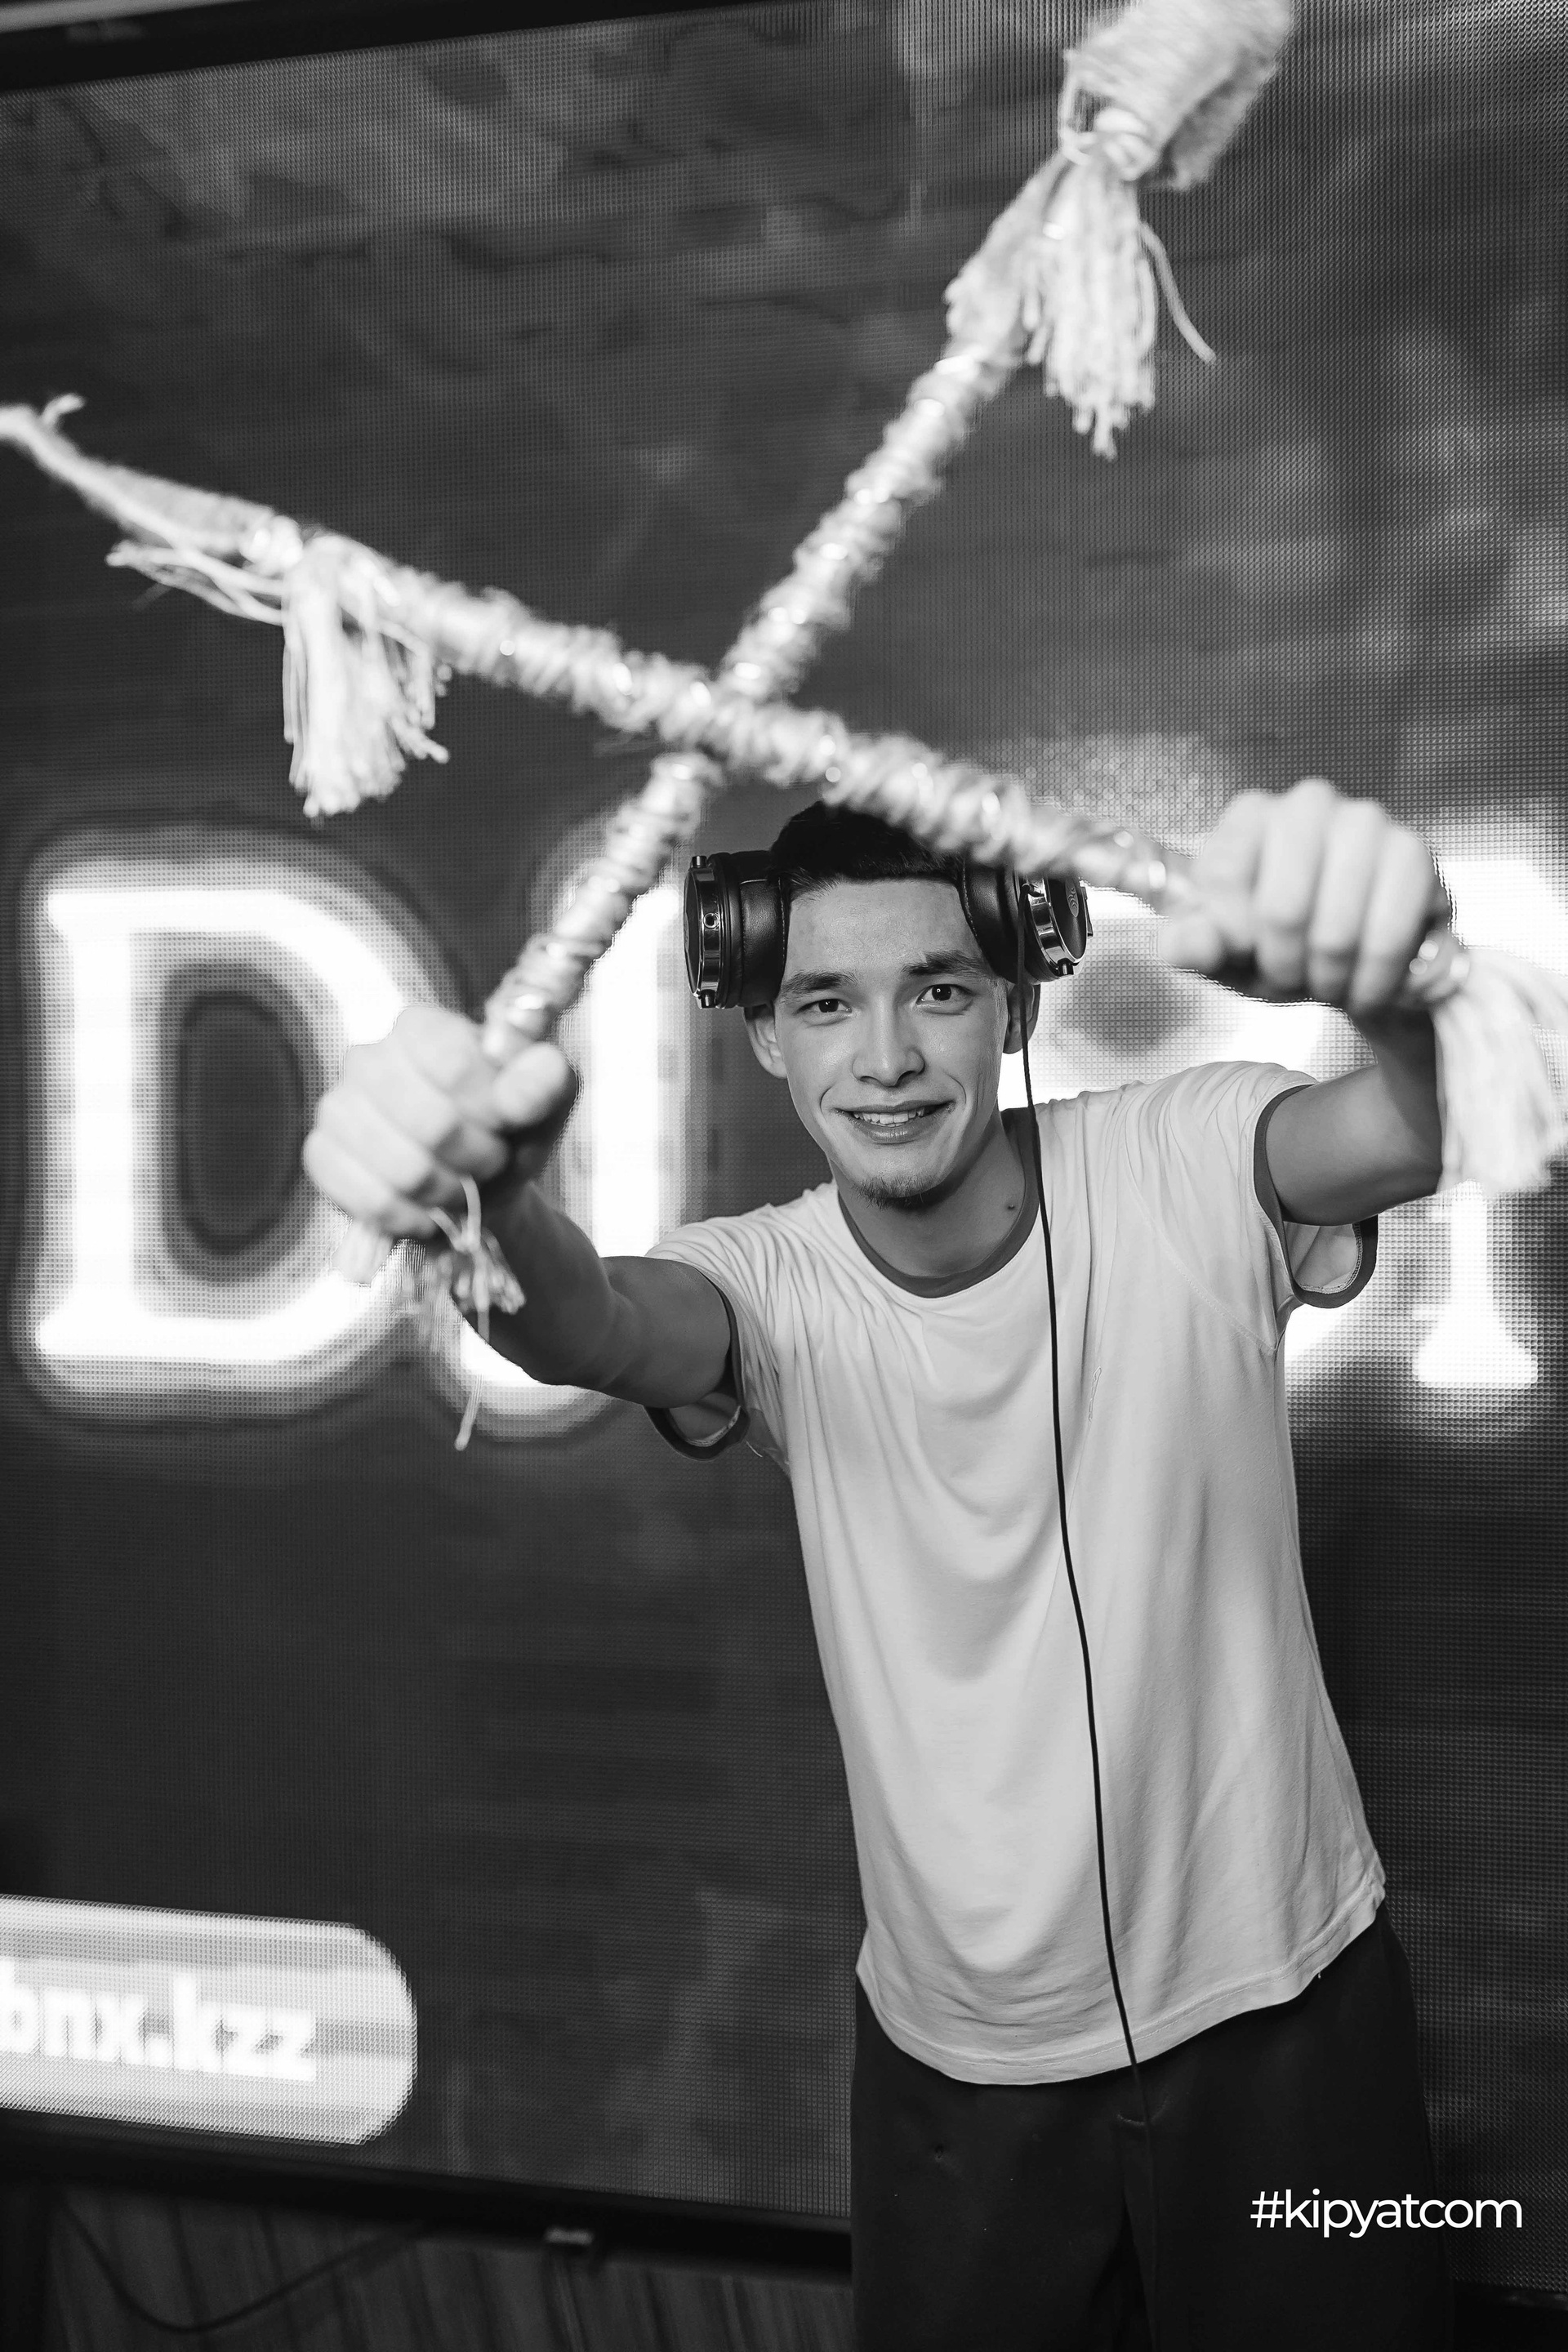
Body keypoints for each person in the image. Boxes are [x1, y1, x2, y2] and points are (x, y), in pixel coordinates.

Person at [304, 777, 1454, 2351]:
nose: (889, 1056)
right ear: (767, 1037)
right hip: (958, 2071)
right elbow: (590, 1322)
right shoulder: (766, 1280)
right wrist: (487, 1205)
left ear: (1019, 1003)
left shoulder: (1191, 1154)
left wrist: (1395, 989)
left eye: (941, 992)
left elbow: (1412, 1126)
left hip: (1293, 2012)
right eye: (827, 1003)